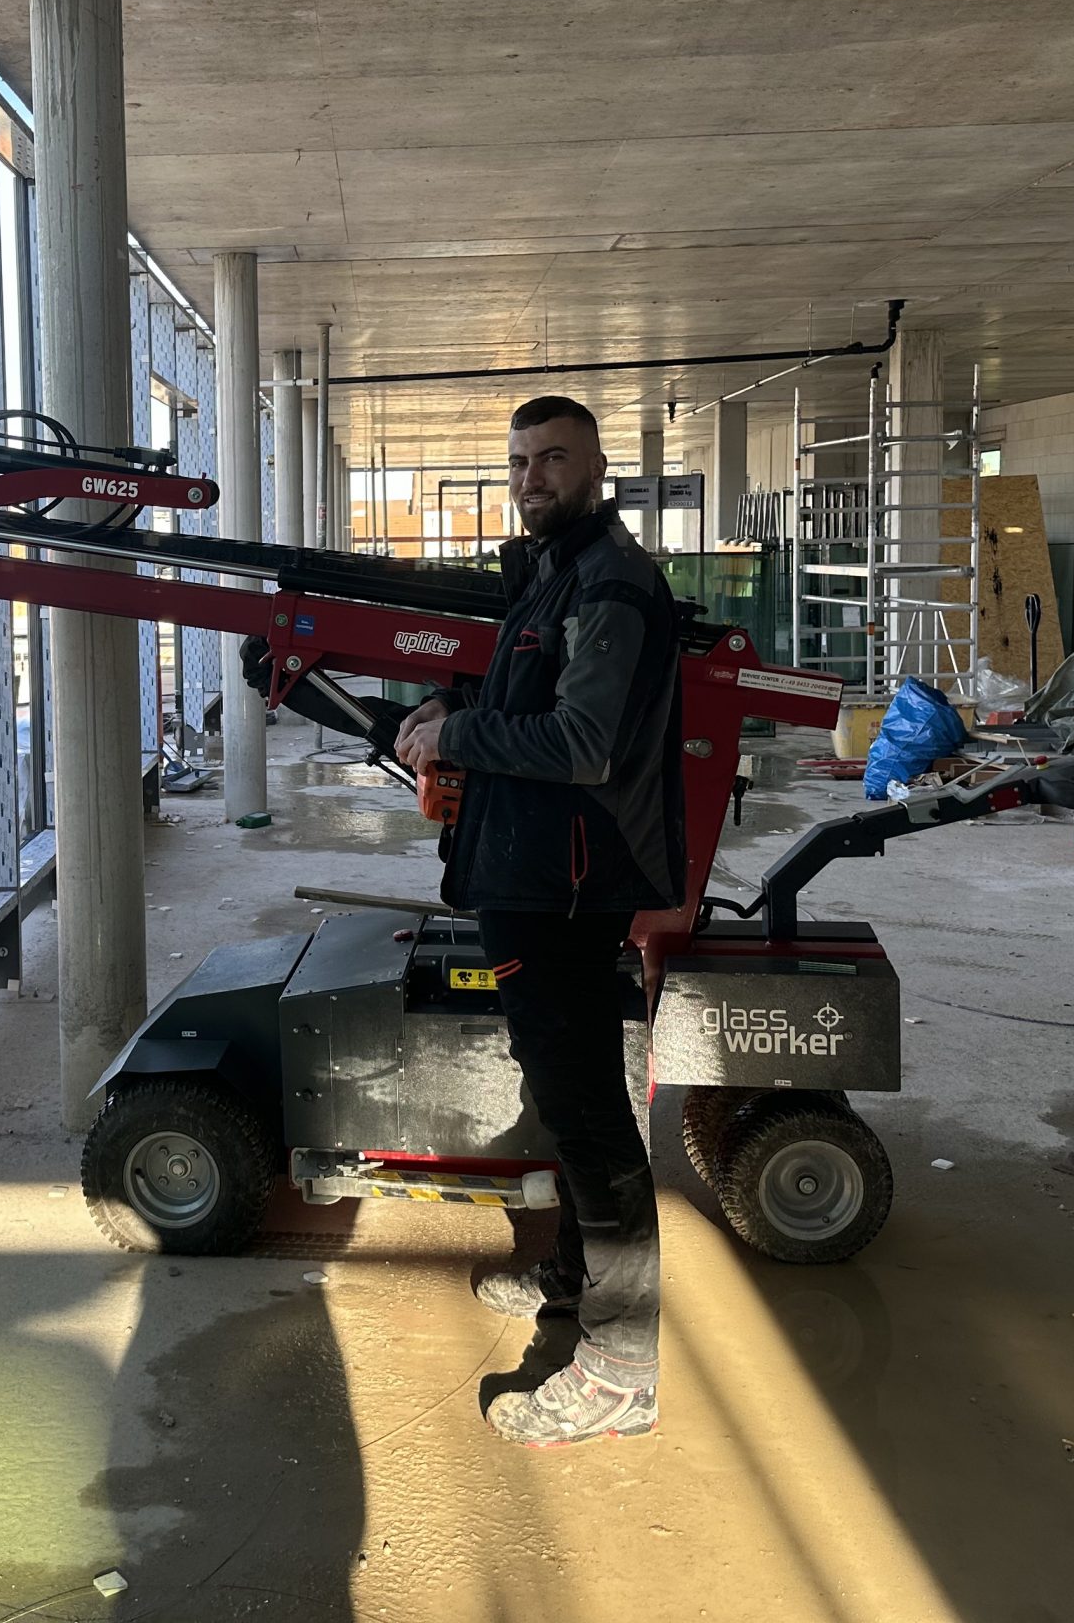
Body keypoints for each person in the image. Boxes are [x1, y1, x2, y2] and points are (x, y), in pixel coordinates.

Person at [393, 394, 682, 1447]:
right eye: (519, 461)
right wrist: (448, 711)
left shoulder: (609, 583)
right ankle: (572, 1275)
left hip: (569, 884)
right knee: (567, 1099)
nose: (531, 478)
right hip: (532, 876)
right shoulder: (555, 571)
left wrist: (458, 734)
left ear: (596, 467)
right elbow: (523, 694)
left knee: (590, 1115)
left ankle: (621, 1367)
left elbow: (581, 742)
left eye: (553, 459)